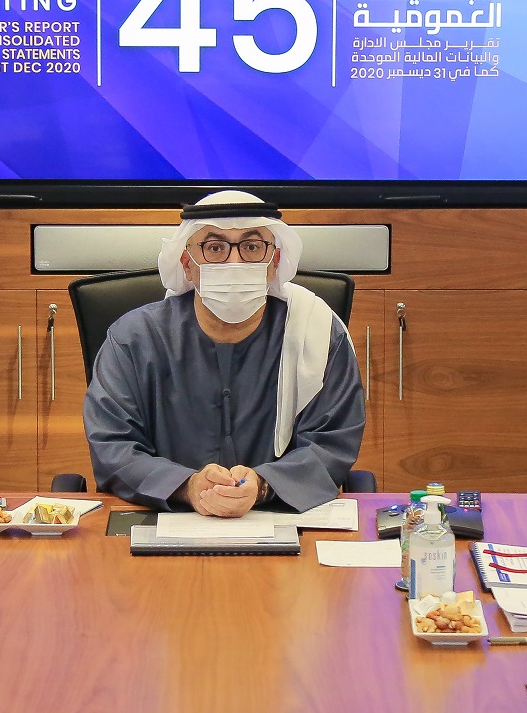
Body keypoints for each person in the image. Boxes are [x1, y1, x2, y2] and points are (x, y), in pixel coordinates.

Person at [84, 190, 366, 516]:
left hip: (284, 515)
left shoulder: (318, 335)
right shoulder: (133, 339)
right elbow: (113, 446)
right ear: (187, 264)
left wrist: (262, 485)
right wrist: (187, 486)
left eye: (252, 247)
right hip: (166, 515)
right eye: (215, 248)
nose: (234, 262)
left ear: (274, 262)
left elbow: (332, 444)